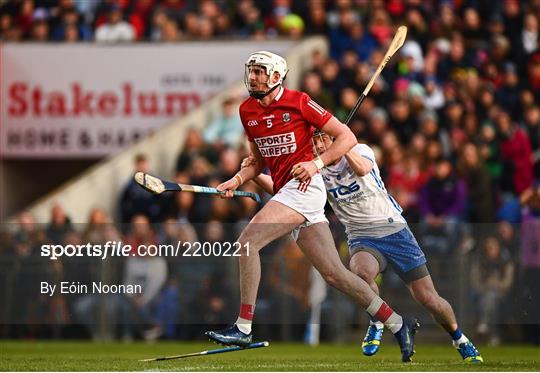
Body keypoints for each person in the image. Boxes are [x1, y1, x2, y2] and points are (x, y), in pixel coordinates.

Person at [205, 51, 419, 363]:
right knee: (336, 275)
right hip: (288, 191)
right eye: (251, 71)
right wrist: (236, 179)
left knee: (247, 243)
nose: (254, 77)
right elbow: (258, 161)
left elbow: (345, 136)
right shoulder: (246, 110)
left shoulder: (300, 101)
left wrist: (316, 163)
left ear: (277, 76)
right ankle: (398, 323)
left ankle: (244, 327)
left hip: (304, 189)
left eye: (261, 72)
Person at [242, 129, 483, 363]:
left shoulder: (360, 150)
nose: (318, 147)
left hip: (394, 232)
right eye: (314, 143)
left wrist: (344, 147)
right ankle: (378, 320)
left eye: (322, 140)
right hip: (360, 236)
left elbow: (363, 168)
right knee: (361, 274)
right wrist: (252, 175)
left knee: (429, 298)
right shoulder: (315, 170)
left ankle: (460, 339)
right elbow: (283, 191)